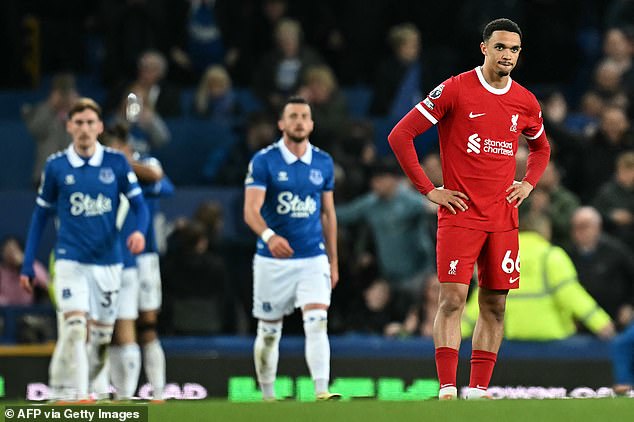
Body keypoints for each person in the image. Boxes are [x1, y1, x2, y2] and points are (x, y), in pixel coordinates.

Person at [387, 18, 551, 400]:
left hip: (503, 218)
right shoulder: (457, 88)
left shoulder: (525, 101)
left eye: (513, 49)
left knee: (494, 305)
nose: (507, 54)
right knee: (452, 300)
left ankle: (477, 391)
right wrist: (428, 190)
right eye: (500, 47)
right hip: (460, 215)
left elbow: (542, 148)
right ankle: (447, 387)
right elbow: (400, 134)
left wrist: (528, 183)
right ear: (484, 48)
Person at [19, 98, 149, 402]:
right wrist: (28, 262)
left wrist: (140, 233)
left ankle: (91, 388)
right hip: (70, 260)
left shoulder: (116, 163)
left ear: (100, 127)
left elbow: (140, 206)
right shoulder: (56, 166)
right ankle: (81, 396)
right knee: (76, 327)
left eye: (90, 123)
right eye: (78, 123)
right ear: (69, 127)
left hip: (108, 262)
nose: (85, 129)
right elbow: (40, 216)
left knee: (102, 336)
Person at [243, 96, 340, 401]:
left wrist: (333, 261)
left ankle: (322, 390)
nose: (299, 121)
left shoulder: (323, 162)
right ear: (281, 123)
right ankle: (268, 396)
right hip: (272, 260)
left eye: (304, 116)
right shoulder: (264, 161)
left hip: (312, 256)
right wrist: (270, 236)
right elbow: (250, 211)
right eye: (293, 116)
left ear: (311, 124)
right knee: (270, 332)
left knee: (317, 321)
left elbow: (328, 214)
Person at [102, 123, 174, 401]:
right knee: (115, 328)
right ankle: (121, 394)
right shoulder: (103, 176)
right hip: (116, 257)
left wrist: (127, 164)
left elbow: (163, 183)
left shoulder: (143, 168)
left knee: (148, 326)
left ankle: (158, 392)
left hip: (145, 257)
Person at [461, 212, 615, 341]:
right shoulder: (551, 256)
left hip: (515, 337)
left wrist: (459, 331)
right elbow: (572, 295)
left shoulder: (502, 257)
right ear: (545, 231)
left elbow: (484, 300)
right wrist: (601, 323)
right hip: (552, 339)